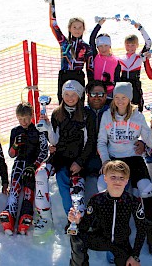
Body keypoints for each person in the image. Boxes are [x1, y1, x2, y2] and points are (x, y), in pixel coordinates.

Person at [97, 82, 152, 256]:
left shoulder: (138, 116)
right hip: (114, 159)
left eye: (123, 97)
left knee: (146, 189)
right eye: (117, 97)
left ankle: (150, 231)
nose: (120, 101)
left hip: (134, 158)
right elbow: (102, 142)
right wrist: (105, 162)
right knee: (106, 190)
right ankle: (114, 238)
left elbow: (150, 141)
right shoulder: (106, 116)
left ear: (129, 99)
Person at [69, 160, 146, 266]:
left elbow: (141, 229)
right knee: (76, 236)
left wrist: (135, 256)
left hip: (121, 242)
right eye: (113, 177)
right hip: (101, 238)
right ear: (105, 178)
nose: (117, 181)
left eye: (121, 178)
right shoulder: (97, 200)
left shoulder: (132, 201)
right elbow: (85, 226)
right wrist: (77, 221)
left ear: (126, 181)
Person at [44, 80, 96, 225]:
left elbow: (90, 141)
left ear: (79, 95)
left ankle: (79, 217)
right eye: (66, 94)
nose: (70, 98)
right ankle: (70, 217)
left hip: (80, 159)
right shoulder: (57, 114)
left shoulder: (87, 114)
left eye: (73, 94)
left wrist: (80, 161)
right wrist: (48, 127)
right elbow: (54, 140)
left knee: (77, 186)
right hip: (62, 158)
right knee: (62, 180)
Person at [84, 80, 145, 201]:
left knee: (124, 185)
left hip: (112, 156)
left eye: (100, 94)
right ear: (87, 95)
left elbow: (141, 131)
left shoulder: (112, 111)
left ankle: (128, 211)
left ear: (106, 96)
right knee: (102, 183)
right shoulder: (82, 112)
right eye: (93, 94)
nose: (97, 97)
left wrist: (143, 142)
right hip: (91, 157)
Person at [0, 102, 49, 235]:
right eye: (20, 119)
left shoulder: (39, 130)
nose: (24, 122)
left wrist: (34, 166)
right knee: (14, 188)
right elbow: (11, 154)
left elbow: (44, 152)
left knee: (28, 190)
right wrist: (15, 145)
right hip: (19, 163)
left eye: (26, 118)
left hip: (32, 164)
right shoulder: (15, 131)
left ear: (32, 116)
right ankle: (9, 214)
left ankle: (25, 216)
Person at [47, 0, 92, 103]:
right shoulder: (64, 43)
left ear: (83, 29)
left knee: (79, 106)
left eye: (79, 27)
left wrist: (91, 84)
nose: (77, 30)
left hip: (78, 76)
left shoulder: (87, 47)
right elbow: (53, 25)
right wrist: (51, 3)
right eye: (74, 27)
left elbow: (90, 68)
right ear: (69, 29)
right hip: (64, 75)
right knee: (63, 105)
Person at [119, 23, 152, 112]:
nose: (130, 47)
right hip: (123, 85)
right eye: (128, 45)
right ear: (125, 45)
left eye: (133, 45)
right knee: (123, 109)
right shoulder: (120, 59)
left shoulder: (139, 57)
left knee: (137, 109)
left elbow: (148, 43)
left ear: (137, 45)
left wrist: (141, 28)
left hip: (135, 86)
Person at [89, 18, 121, 102]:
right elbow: (92, 39)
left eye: (106, 45)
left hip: (109, 92)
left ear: (110, 46)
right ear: (97, 47)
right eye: (100, 46)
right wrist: (99, 25)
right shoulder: (96, 56)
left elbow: (117, 78)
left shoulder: (116, 61)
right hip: (95, 91)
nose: (103, 49)